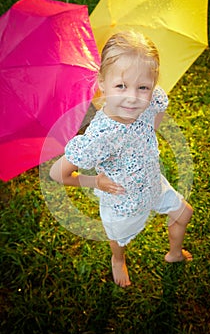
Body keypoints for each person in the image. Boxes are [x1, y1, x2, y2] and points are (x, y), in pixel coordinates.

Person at [50, 31, 193, 288]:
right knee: (119, 238)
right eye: (121, 86)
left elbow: (153, 122)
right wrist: (95, 182)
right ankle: (118, 259)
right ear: (102, 83)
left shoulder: (151, 102)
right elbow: (57, 174)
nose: (133, 97)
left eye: (143, 87)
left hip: (152, 183)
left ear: (153, 84)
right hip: (122, 200)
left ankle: (174, 254)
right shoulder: (100, 136)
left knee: (184, 214)